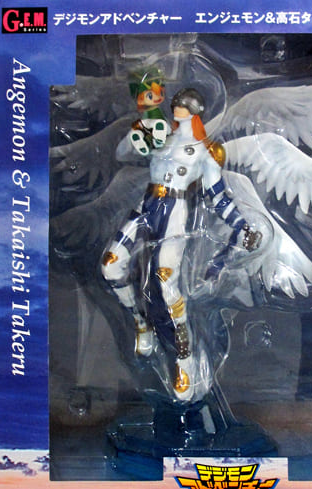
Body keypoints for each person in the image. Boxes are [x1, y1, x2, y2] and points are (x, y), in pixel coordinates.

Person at [102, 87, 261, 402]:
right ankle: (141, 322)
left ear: (196, 110)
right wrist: (141, 125)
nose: (178, 107)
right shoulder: (160, 136)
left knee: (166, 283)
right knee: (111, 266)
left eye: (184, 104)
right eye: (177, 103)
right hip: (147, 206)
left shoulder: (206, 150)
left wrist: (242, 225)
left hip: (175, 212)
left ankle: (184, 360)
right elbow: (122, 153)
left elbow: (218, 197)